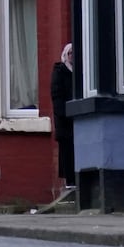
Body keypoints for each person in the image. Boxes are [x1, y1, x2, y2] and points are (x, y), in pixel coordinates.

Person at [50, 42, 75, 195]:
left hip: (77, 117)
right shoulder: (60, 71)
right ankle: (69, 181)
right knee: (66, 149)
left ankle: (75, 179)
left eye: (74, 53)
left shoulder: (80, 71)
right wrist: (64, 113)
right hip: (64, 119)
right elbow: (56, 95)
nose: (72, 55)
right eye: (70, 53)